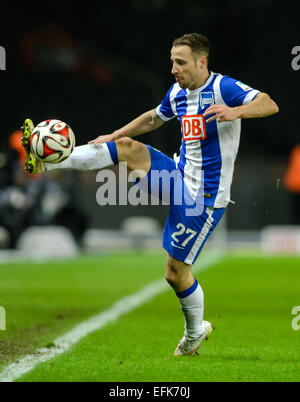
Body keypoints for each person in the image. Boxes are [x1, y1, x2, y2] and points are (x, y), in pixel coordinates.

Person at [21, 33, 279, 356]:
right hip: (178, 175)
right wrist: (116, 134)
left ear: (202, 62)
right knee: (127, 148)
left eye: (180, 62)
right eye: (172, 61)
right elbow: (155, 117)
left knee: (175, 273)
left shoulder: (223, 89)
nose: (174, 68)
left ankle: (195, 331)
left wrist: (235, 112)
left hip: (203, 199)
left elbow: (269, 103)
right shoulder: (179, 92)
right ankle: (50, 160)